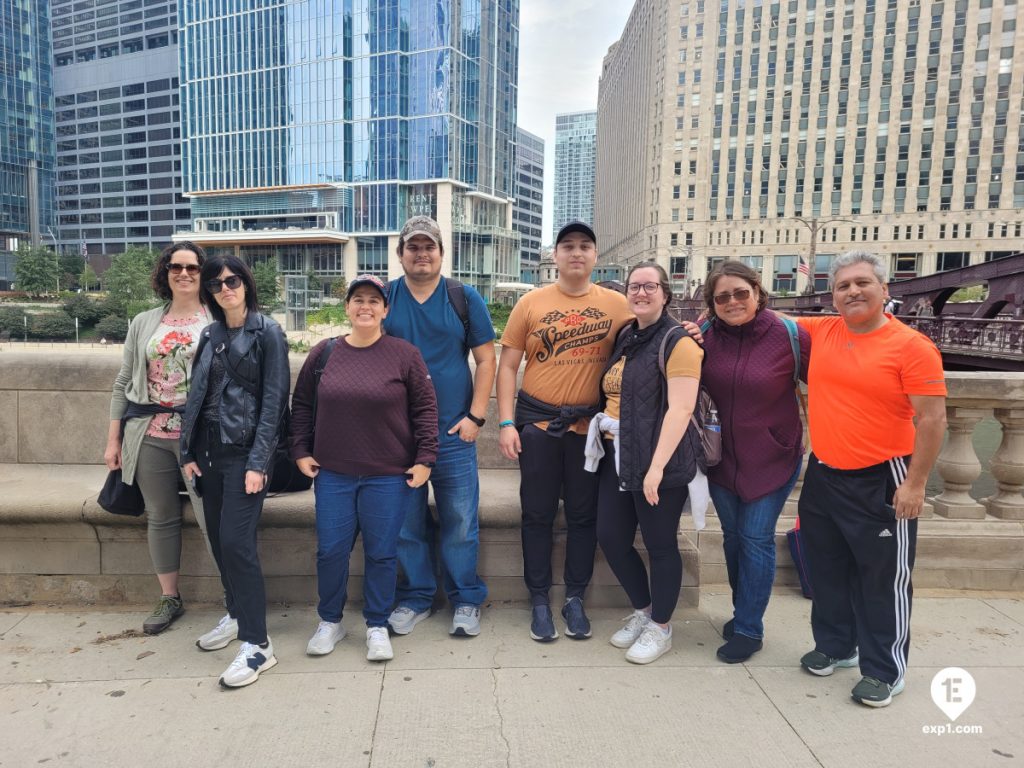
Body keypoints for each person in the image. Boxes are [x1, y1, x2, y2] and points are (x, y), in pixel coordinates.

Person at [795, 250, 946, 708]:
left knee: (883, 578)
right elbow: (760, 314)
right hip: (823, 472)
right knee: (827, 568)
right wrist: (697, 324)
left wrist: (916, 484)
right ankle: (837, 645)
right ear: (833, 296)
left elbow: (933, 419)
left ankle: (885, 670)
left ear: (885, 290)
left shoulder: (912, 347)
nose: (852, 292)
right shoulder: (824, 330)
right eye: (843, 286)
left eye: (862, 283)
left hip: (882, 475)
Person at [290, 274, 438, 663]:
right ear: (348, 307)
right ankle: (329, 621)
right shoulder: (324, 353)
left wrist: (425, 459)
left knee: (382, 553)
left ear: (385, 309)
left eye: (374, 300)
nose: (366, 307)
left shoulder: (405, 355)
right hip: (333, 473)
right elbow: (302, 405)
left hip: (388, 474)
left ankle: (376, 624)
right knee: (331, 551)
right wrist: (301, 450)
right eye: (358, 299)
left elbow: (425, 411)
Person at [497, 221, 632, 642]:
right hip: (538, 425)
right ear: (554, 256)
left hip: (589, 431)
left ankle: (574, 598)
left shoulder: (617, 305)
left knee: (582, 517)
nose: (576, 253)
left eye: (585, 246)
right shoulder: (530, 304)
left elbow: (650, 339)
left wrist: (691, 332)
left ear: (595, 256)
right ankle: (539, 599)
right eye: (568, 246)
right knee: (536, 515)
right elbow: (506, 366)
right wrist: (505, 422)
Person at [382, 216, 497, 638]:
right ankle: (416, 598)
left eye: (429, 246)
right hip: (398, 438)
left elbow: (486, 360)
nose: (421, 254)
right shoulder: (385, 297)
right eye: (413, 247)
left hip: (453, 435)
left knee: (460, 521)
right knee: (406, 525)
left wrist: (475, 418)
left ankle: (466, 599)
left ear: (441, 253)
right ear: (401, 254)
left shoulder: (463, 298)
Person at [180, 255, 290, 688]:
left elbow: (274, 402)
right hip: (208, 456)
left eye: (232, 280)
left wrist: (259, 462)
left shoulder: (269, 333)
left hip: (246, 457)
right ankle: (235, 613)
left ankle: (258, 644)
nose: (225, 288)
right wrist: (187, 449)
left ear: (246, 283)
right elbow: (197, 395)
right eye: (216, 283)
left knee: (236, 544)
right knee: (220, 545)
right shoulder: (209, 334)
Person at [696, 261, 810, 664]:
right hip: (721, 459)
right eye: (722, 296)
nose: (732, 302)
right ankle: (743, 607)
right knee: (731, 538)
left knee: (756, 538)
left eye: (740, 293)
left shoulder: (790, 335)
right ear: (711, 304)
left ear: (758, 292)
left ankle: (748, 627)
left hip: (773, 456)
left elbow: (830, 386)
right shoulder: (704, 336)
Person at [590, 262, 703, 664]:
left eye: (649, 286)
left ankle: (661, 626)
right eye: (634, 286)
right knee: (612, 538)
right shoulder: (627, 336)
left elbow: (681, 407)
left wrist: (656, 467)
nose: (641, 293)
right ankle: (643, 610)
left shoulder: (679, 341)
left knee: (660, 545)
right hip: (618, 456)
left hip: (659, 462)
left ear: (665, 293)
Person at [106, 242, 211, 635]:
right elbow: (123, 382)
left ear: (204, 273)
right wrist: (113, 441)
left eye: (193, 267)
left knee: (209, 517)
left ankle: (236, 599)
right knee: (161, 517)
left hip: (199, 438)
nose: (184, 273)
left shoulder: (215, 317)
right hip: (148, 434)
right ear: (165, 272)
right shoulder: (144, 321)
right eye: (176, 266)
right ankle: (170, 597)